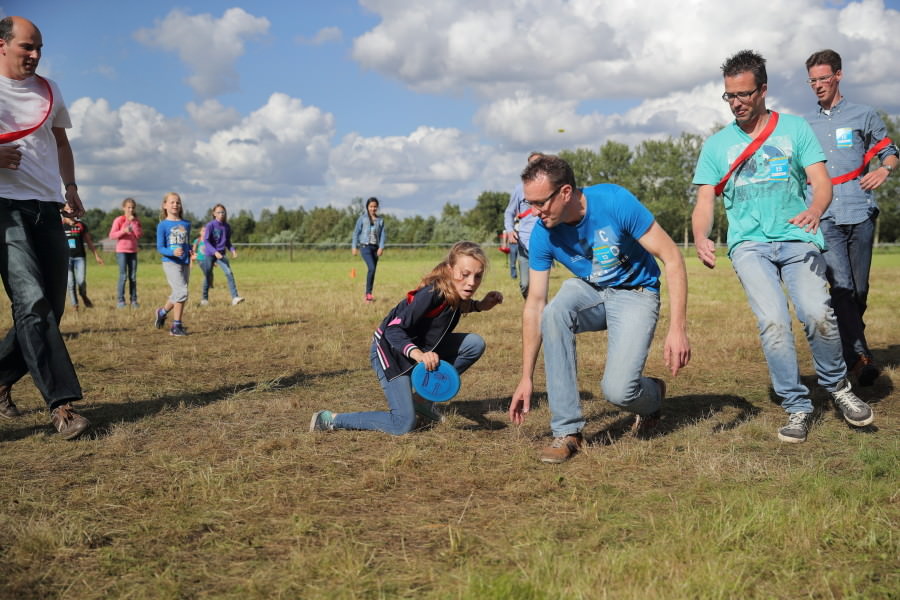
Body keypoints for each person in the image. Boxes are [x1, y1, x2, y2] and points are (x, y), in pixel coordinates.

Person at [691, 49, 874, 444]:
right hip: (749, 245)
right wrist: (701, 235)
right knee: (773, 321)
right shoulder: (717, 145)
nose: (736, 103)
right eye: (729, 96)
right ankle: (796, 404)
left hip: (797, 237)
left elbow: (821, 181)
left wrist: (815, 209)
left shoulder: (794, 129)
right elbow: (705, 200)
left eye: (744, 94)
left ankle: (838, 386)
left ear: (763, 90)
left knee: (816, 314)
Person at [509, 155, 691, 464]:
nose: (534, 213)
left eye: (540, 203)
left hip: (637, 292)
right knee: (554, 312)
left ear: (565, 192)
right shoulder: (542, 232)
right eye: (530, 203)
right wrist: (526, 377)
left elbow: (672, 257)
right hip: (590, 291)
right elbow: (535, 304)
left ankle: (652, 395)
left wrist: (677, 329)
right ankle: (567, 431)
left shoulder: (614, 201)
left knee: (619, 392)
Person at [0, 16, 91, 438]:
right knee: (31, 302)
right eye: (26, 47)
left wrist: (69, 186)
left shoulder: (50, 91)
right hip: (5, 209)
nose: (34, 55)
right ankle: (62, 406)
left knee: (51, 308)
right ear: (2, 45)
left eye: (39, 48)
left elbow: (59, 142)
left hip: (48, 207)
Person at [311, 241, 503, 435]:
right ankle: (330, 419)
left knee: (474, 344)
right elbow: (393, 331)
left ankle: (421, 400)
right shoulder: (432, 293)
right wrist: (420, 355)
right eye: (465, 274)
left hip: (418, 349)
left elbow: (456, 308)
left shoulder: (457, 292)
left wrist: (481, 305)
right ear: (450, 269)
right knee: (403, 424)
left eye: (477, 276)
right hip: (390, 351)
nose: (471, 282)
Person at [804, 49, 899, 387]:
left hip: (860, 211)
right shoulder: (805, 124)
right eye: (812, 80)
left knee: (859, 290)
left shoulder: (864, 114)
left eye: (823, 78)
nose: (817, 85)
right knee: (841, 287)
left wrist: (884, 171)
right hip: (824, 215)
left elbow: (890, 150)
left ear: (839, 76)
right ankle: (861, 358)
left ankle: (846, 351)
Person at [503, 152, 544, 298]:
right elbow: (509, 212)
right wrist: (509, 230)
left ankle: (539, 315)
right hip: (523, 243)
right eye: (532, 164)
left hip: (543, 244)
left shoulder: (551, 187)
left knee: (540, 287)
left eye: (539, 163)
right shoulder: (520, 189)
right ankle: (531, 307)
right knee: (525, 284)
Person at [154, 192, 191, 336]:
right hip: (170, 262)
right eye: (172, 202)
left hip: (184, 262)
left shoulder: (186, 224)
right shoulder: (162, 225)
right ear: (165, 205)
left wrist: (190, 251)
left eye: (178, 202)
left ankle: (162, 312)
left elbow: (186, 243)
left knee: (179, 293)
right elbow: (160, 247)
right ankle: (176, 326)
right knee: (182, 292)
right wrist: (172, 252)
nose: (175, 205)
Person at [200, 204, 243, 306]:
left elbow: (227, 241)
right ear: (214, 214)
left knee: (229, 273)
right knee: (208, 275)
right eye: (219, 212)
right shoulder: (210, 225)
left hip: (221, 255)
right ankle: (204, 299)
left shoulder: (227, 227)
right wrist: (215, 252)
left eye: (223, 212)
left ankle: (235, 297)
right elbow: (206, 241)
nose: (221, 214)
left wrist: (232, 250)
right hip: (210, 254)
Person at [62, 215, 103, 310]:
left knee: (81, 281)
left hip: (80, 258)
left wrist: (96, 255)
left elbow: (89, 241)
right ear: (63, 210)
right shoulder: (61, 225)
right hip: (66, 258)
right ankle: (75, 304)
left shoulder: (81, 225)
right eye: (68, 209)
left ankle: (83, 295)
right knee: (71, 283)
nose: (70, 211)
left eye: (72, 209)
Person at [108, 197, 142, 308]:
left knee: (133, 277)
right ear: (123, 208)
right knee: (123, 276)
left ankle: (133, 300)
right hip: (121, 251)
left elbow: (139, 235)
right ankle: (120, 301)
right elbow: (112, 235)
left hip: (133, 251)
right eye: (128, 207)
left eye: (132, 208)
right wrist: (123, 230)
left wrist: (133, 223)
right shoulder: (119, 220)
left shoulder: (136, 221)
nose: (130, 210)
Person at [351, 197, 386, 303]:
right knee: (371, 268)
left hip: (375, 248)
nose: (373, 208)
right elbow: (356, 233)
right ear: (367, 207)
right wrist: (354, 246)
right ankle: (368, 294)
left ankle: (368, 294)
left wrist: (381, 247)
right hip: (365, 247)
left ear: (377, 207)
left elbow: (383, 235)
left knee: (373, 270)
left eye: (375, 206)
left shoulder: (380, 220)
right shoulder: (362, 219)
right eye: (371, 206)